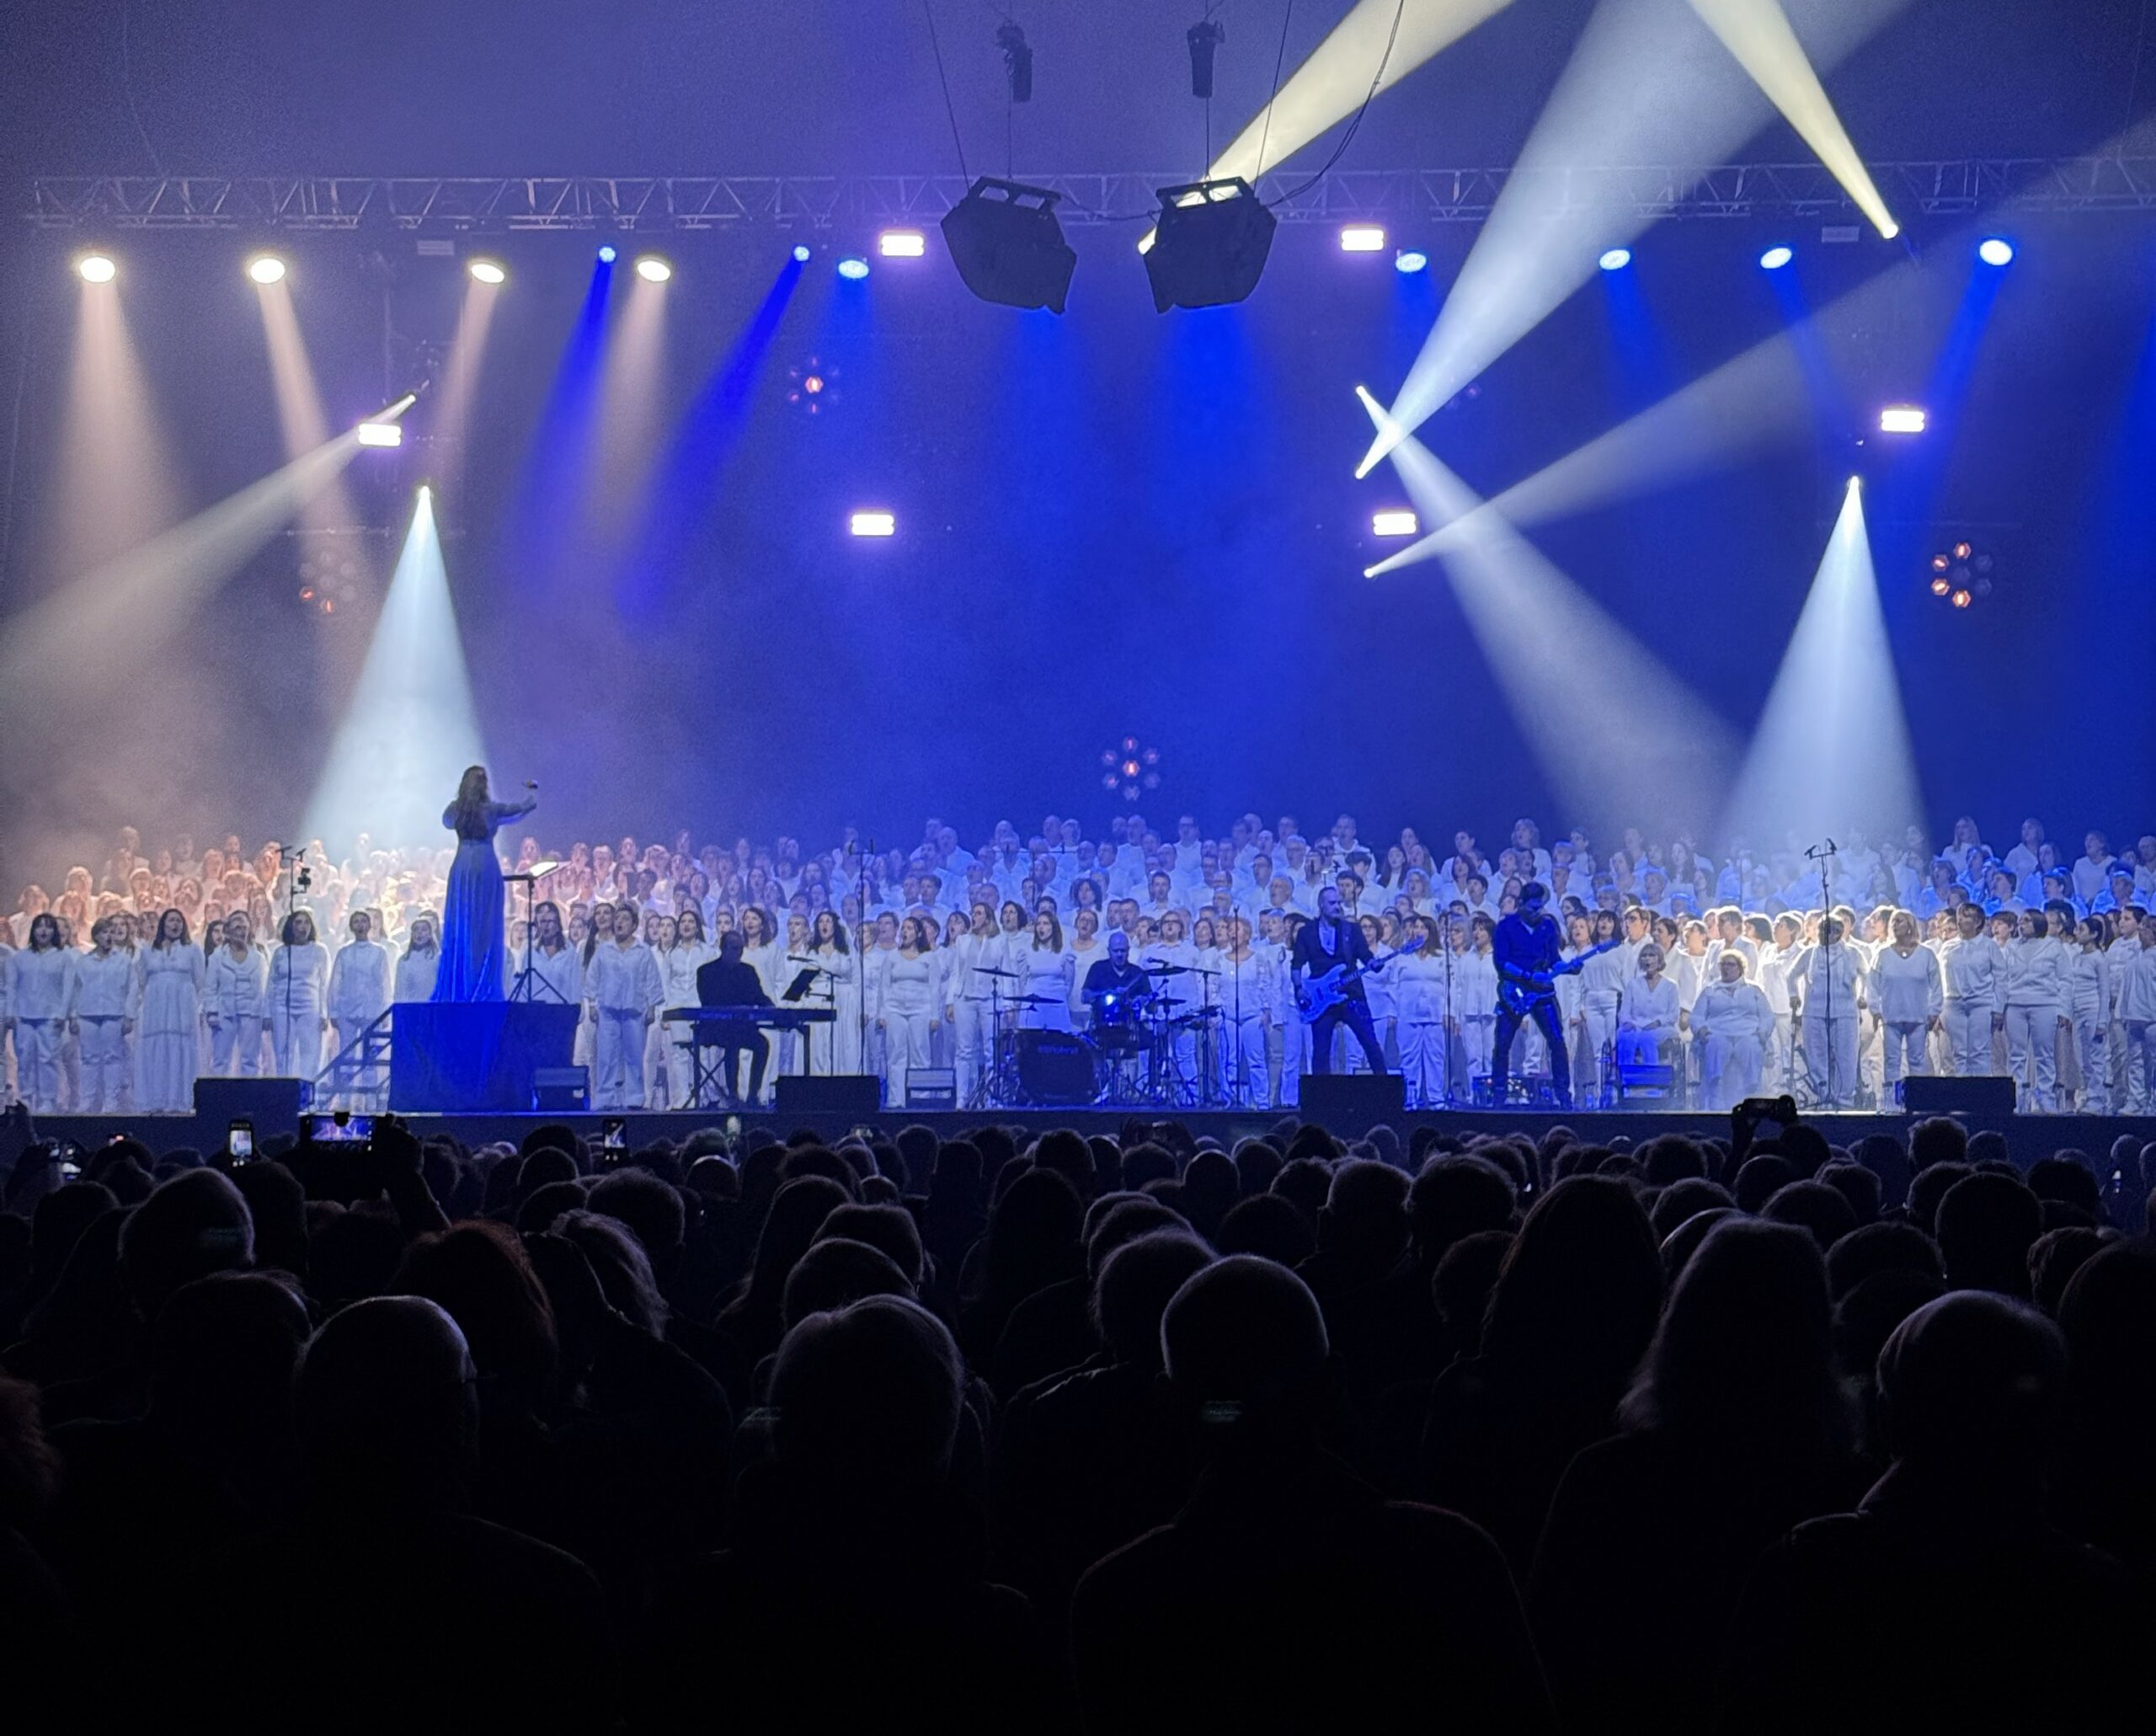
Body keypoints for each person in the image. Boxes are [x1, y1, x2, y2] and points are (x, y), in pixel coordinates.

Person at [431, 765, 537, 1002]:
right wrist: (533, 789)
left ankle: (461, 983)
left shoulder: (455, 809)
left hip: (464, 865)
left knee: (463, 924)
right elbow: (523, 808)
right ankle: (482, 984)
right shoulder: (490, 809)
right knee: (485, 926)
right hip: (485, 864)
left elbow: (446, 821)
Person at [1490, 882, 1575, 1108]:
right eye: (1533, 907)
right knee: (1502, 1044)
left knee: (1557, 1041)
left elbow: (1554, 959)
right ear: (1521, 904)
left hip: (1542, 993)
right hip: (1514, 991)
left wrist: (1569, 968)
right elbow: (1501, 962)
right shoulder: (1506, 926)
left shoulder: (1547, 927)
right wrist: (1527, 976)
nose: (1537, 912)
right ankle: (1498, 1094)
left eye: (1540, 907)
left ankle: (1563, 1095)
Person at [1291, 884, 1387, 1075]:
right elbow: (1296, 965)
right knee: (1321, 1052)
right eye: (1332, 903)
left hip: (1352, 995)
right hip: (1321, 998)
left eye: (1338, 903)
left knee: (1370, 1044)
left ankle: (1387, 1088)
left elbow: (1364, 955)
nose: (1337, 907)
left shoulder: (1351, 930)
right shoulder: (1307, 932)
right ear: (1321, 905)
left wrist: (1373, 963)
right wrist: (1299, 989)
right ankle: (1320, 1092)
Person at [586, 903, 663, 1112]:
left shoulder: (643, 951)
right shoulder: (604, 950)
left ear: (634, 925)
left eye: (625, 919)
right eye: (617, 918)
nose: (619, 922)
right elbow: (593, 977)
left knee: (634, 1057)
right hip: (608, 1011)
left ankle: (635, 1098)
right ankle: (605, 1098)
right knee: (606, 1057)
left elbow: (652, 979)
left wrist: (652, 1007)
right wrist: (592, 1004)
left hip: (634, 1011)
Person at [6, 913, 77, 1114]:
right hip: (24, 1016)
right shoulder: (20, 957)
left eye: (48, 927)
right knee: (25, 1058)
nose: (43, 931)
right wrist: (10, 1012)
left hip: (50, 1016)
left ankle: (48, 1099)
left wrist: (64, 1013)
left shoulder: (63, 957)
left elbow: (69, 988)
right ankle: (27, 1097)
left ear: (54, 931)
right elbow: (12, 986)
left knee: (47, 1059)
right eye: (39, 927)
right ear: (33, 931)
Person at [1688, 948, 1777, 1109]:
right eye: (1723, 965)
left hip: (1748, 1032)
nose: (1726, 968)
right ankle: (1715, 1097)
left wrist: (1763, 1031)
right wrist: (1700, 1029)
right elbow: (1696, 1016)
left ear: (1740, 968)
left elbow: (1767, 1016)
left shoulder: (1753, 990)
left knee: (1752, 1046)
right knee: (1715, 1045)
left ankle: (1752, 1094)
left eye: (1730, 965)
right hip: (1718, 1031)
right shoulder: (1710, 990)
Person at [135, 909, 205, 1113]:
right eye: (171, 920)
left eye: (179, 921)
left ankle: (180, 1100)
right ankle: (156, 1100)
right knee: (157, 1051)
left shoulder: (192, 950)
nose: (175, 925)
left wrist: (197, 1008)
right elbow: (140, 982)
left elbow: (201, 982)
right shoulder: (148, 951)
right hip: (155, 1010)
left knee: (180, 1051)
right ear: (163, 924)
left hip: (182, 1009)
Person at [1866, 910, 1943, 1095]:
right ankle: (1892, 1101)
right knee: (1891, 1061)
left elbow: (1937, 986)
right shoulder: (1883, 954)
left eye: (1899, 921)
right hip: (1891, 1016)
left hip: (1918, 1017)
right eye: (1893, 922)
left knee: (1917, 1061)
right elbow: (1872, 984)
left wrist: (1934, 1011)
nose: (1894, 925)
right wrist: (1875, 1010)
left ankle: (1918, 1099)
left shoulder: (1926, 955)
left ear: (1910, 925)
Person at [694, 929, 773, 1108]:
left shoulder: (748, 971)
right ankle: (733, 1095)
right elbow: (709, 1001)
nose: (738, 953)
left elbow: (758, 996)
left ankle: (753, 1095)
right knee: (733, 1041)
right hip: (715, 1028)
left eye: (741, 949)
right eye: (734, 948)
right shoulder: (706, 972)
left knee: (762, 1044)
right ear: (723, 949)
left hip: (742, 1027)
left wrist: (769, 1004)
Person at [2003, 907, 2068, 1113]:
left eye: (2027, 921)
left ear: (2038, 923)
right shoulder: (2011, 946)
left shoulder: (2053, 946)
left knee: (2044, 1054)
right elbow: (2002, 977)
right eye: (2021, 921)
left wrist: (2064, 1010)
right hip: (2015, 1004)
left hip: (2045, 1004)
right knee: (2016, 1054)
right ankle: (2016, 1097)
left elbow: (2065, 980)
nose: (2021, 925)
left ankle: (2045, 1095)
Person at [70, 916, 138, 1112]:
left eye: (111, 932)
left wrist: (129, 1015)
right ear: (96, 936)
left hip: (114, 1013)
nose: (108, 936)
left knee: (112, 1058)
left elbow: (132, 988)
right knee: (88, 1058)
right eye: (104, 932)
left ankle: (111, 1100)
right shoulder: (84, 962)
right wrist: (73, 1015)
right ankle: (87, 1100)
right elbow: (76, 989)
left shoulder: (124, 961)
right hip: (87, 1014)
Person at [327, 910, 392, 1106]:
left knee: (369, 1056)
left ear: (370, 925)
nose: (361, 925)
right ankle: (345, 1098)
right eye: (356, 921)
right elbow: (335, 982)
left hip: (372, 1010)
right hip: (347, 1009)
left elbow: (385, 983)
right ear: (351, 927)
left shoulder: (379, 952)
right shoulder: (344, 952)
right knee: (346, 1054)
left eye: (364, 921)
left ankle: (369, 1099)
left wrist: (385, 1012)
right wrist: (333, 1011)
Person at [1938, 900, 2007, 1079]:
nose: (1960, 920)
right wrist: (1938, 1008)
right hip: (1953, 1003)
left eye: (1966, 917)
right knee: (1958, 1053)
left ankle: (1978, 1092)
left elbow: (2001, 978)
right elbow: (1939, 979)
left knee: (1979, 1052)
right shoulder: (1948, 947)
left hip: (1981, 1003)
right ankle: (1961, 1092)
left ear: (1978, 922)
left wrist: (1998, 1008)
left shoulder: (1989, 946)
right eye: (1959, 916)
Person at [205, 913, 270, 1079]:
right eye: (237, 928)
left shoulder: (258, 958)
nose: (242, 931)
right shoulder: (217, 957)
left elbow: (264, 989)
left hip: (251, 1014)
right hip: (225, 1013)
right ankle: (220, 1094)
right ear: (228, 931)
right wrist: (212, 1012)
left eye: (245, 928)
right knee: (220, 1060)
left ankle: (250, 1093)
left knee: (251, 1060)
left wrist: (265, 1014)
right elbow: (210, 988)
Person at [268, 910, 330, 1079]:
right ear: (291, 926)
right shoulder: (281, 952)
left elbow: (324, 984)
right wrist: (267, 1013)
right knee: (283, 1052)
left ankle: (308, 1089)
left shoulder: (319, 951)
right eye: (298, 922)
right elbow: (271, 983)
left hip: (309, 1008)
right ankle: (284, 1088)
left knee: (310, 1053)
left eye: (306, 922)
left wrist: (324, 1013)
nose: (303, 927)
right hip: (282, 1008)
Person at [393, 911, 441, 1004]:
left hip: (433, 1007)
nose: (419, 933)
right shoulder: (404, 960)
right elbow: (399, 991)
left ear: (430, 934)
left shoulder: (438, 958)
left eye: (424, 929)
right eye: (416, 929)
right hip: (411, 1007)